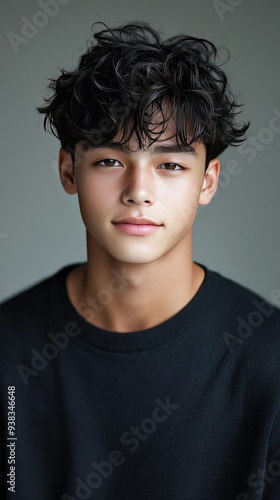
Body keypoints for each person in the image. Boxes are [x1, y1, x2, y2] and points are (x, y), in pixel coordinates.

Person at [1, 21, 280, 500]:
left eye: (170, 164)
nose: (138, 192)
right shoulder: (7, 346)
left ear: (207, 182)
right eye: (110, 160)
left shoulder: (268, 363)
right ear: (69, 169)